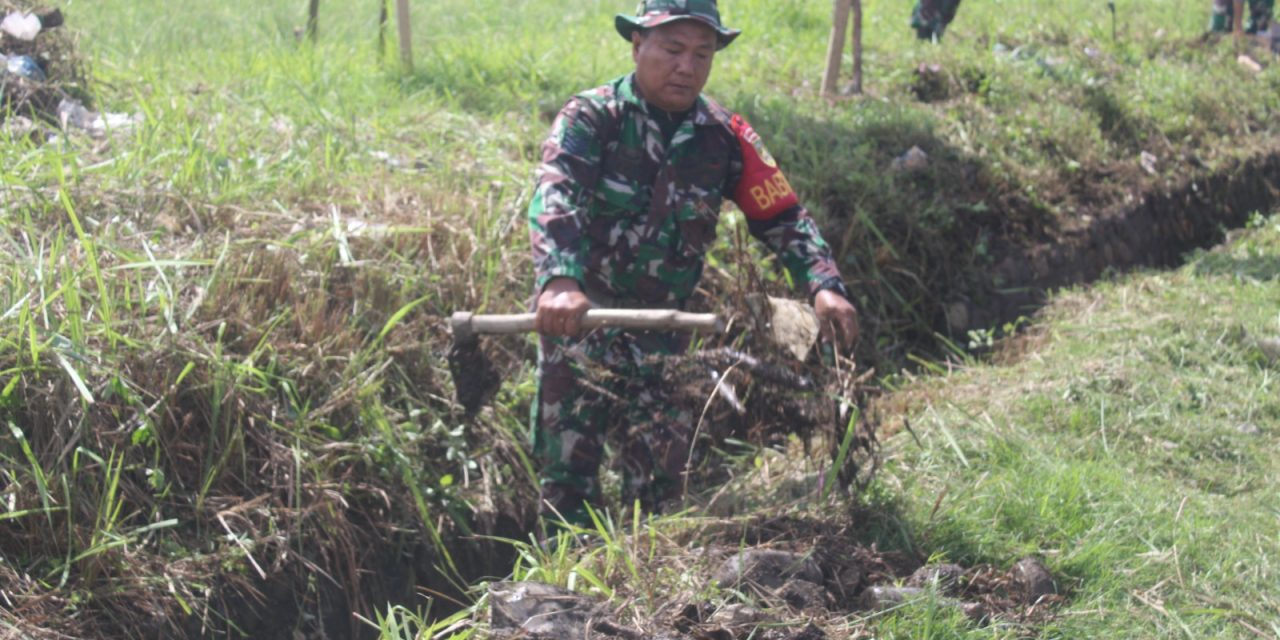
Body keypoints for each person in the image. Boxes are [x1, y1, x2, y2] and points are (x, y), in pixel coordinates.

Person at [526, 0, 859, 531]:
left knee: (661, 487)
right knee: (567, 479)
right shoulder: (592, 118)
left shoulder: (723, 136)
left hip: (665, 332)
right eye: (673, 50)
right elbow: (557, 196)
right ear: (638, 46)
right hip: (579, 324)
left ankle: (643, 598)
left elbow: (783, 214)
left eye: (702, 54)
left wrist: (823, 284)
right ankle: (560, 598)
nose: (688, 66)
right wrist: (560, 281)